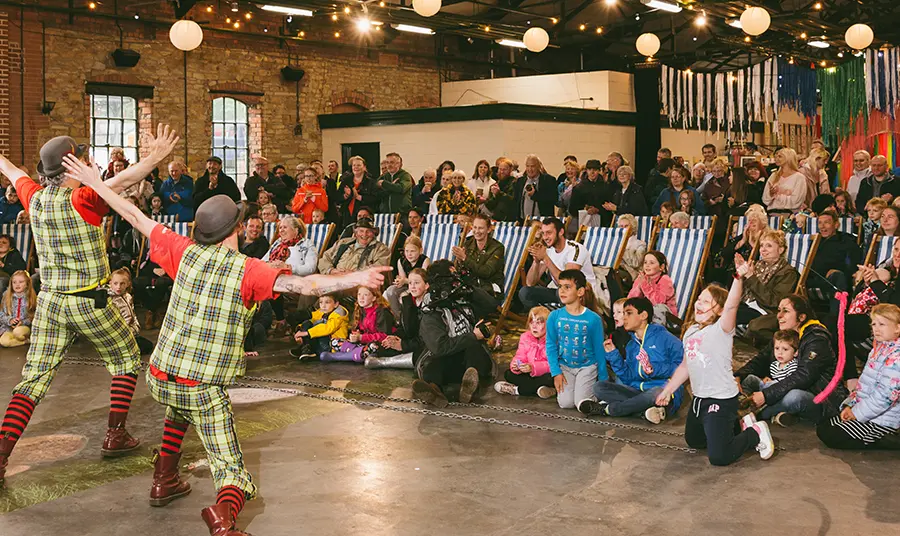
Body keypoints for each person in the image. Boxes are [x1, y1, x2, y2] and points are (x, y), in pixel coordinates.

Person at [63, 156, 390, 536]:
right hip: (202, 386)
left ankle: (164, 479)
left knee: (178, 407)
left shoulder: (182, 249)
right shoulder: (248, 269)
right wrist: (358, 276)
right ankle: (224, 522)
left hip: (158, 375)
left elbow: (133, 214)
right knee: (230, 467)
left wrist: (96, 182)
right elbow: (306, 286)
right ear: (235, 228)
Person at [0, 125, 180, 489]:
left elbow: (14, 172)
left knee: (32, 381)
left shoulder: (34, 197)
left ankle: (1, 455)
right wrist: (156, 156)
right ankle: (115, 435)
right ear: (71, 166)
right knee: (127, 358)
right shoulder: (84, 198)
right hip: (90, 301)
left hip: (50, 302)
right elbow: (124, 180)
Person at [655, 275, 776, 465]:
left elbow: (732, 305)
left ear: (719, 310)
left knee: (719, 456)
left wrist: (738, 278)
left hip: (720, 399)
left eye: (706, 302)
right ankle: (736, 426)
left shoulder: (722, 330)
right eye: (699, 299)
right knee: (695, 441)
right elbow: (686, 365)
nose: (699, 304)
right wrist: (668, 390)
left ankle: (754, 433)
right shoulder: (691, 331)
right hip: (699, 399)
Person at [735, 294, 848, 426]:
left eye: (786, 311)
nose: (779, 316)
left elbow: (803, 376)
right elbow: (761, 360)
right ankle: (774, 413)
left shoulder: (817, 338)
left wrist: (766, 395)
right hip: (786, 387)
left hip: (820, 400)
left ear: (801, 317)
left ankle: (753, 415)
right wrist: (738, 376)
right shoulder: (787, 334)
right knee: (748, 379)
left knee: (794, 397)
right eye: (779, 310)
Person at [579, 296, 684, 423]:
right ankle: (643, 412)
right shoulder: (631, 345)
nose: (624, 317)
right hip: (638, 392)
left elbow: (682, 366)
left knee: (655, 392)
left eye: (628, 313)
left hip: (664, 392)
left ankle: (608, 410)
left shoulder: (664, 337)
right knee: (599, 387)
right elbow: (628, 377)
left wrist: (654, 369)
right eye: (623, 314)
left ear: (643, 315)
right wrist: (613, 355)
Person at [411, 260, 495, 407]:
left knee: (474, 350)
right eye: (453, 277)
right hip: (446, 357)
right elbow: (440, 347)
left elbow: (491, 305)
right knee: (434, 364)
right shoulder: (431, 311)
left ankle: (469, 388)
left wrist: (469, 286)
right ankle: (434, 391)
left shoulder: (464, 297)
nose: (456, 281)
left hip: (469, 359)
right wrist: (473, 335)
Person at [816, 303, 900, 450]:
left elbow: (886, 396)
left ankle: (883, 439)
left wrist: (857, 413)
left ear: (897, 328)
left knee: (831, 434)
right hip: (867, 409)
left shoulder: (897, 357)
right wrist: (850, 405)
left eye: (882, 324)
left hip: (883, 419)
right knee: (824, 425)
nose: (876, 328)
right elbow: (864, 384)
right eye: (874, 324)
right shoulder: (878, 349)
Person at [546, 269, 606, 410]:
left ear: (580, 292)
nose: (562, 291)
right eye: (560, 286)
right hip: (565, 367)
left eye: (568, 287)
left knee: (581, 403)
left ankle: (595, 394)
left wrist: (603, 379)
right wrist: (556, 372)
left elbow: (599, 349)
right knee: (565, 404)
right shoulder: (554, 316)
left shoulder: (593, 319)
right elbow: (550, 345)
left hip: (587, 367)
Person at [519, 217, 595, 310]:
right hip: (560, 292)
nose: (545, 237)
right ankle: (545, 318)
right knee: (525, 292)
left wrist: (545, 258)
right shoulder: (549, 251)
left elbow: (569, 282)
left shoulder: (575, 249)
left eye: (549, 233)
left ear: (561, 232)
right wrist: (536, 261)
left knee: (565, 293)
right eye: (543, 233)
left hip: (581, 293)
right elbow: (530, 283)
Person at [733, 230, 800, 330]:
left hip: (764, 311)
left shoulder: (787, 273)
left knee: (727, 313)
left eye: (768, 246)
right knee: (719, 304)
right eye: (761, 246)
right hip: (745, 305)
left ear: (780, 250)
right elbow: (737, 290)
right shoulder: (756, 265)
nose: (763, 250)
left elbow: (774, 302)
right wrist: (739, 273)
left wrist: (751, 277)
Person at [366, 268, 428, 370]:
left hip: (422, 345)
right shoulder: (408, 300)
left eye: (416, 283)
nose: (412, 286)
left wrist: (403, 345)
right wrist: (394, 338)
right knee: (382, 348)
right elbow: (404, 328)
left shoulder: (429, 305)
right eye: (410, 283)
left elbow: (425, 339)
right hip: (411, 341)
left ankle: (385, 362)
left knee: (421, 356)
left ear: (426, 285)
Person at [493, 306, 556, 399]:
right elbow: (520, 355)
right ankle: (542, 389)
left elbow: (553, 364)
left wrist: (533, 368)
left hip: (545, 373)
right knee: (509, 374)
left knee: (551, 378)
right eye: (531, 322)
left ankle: (516, 390)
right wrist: (516, 365)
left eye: (538, 323)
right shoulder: (525, 337)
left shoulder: (553, 340)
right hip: (529, 373)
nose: (534, 326)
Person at [739, 329, 799, 425]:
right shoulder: (774, 365)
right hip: (768, 390)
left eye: (785, 349)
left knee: (773, 389)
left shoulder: (794, 366)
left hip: (778, 394)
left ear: (795, 352)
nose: (780, 353)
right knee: (750, 379)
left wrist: (772, 383)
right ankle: (743, 399)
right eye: (777, 348)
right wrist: (766, 380)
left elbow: (788, 384)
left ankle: (764, 413)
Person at [808, 210, 861, 311]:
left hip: (833, 280)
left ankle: (836, 320)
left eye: (827, 223)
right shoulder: (813, 241)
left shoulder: (846, 241)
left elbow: (854, 264)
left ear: (836, 225)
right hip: (812, 279)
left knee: (838, 277)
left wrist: (836, 270)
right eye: (820, 223)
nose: (822, 227)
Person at [452, 214, 505, 311]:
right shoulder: (468, 243)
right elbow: (462, 270)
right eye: (475, 227)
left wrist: (465, 258)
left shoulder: (497, 248)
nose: (476, 231)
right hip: (470, 287)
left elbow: (486, 272)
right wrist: (459, 262)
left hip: (490, 292)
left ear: (489, 230)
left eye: (480, 228)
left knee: (466, 294)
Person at [318, 218, 391, 279]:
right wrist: (331, 271)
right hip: (334, 278)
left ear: (374, 233)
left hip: (359, 284)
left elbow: (379, 269)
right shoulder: (343, 242)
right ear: (356, 233)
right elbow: (324, 258)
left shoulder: (381, 249)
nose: (364, 235)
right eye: (361, 231)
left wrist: (355, 274)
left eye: (368, 231)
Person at [108, 267, 154, 356]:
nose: (118, 287)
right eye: (115, 283)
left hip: (131, 333)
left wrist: (136, 328)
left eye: (122, 284)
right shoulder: (110, 300)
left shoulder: (128, 296)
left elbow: (133, 314)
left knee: (148, 346)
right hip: (119, 335)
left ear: (128, 284)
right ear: (110, 284)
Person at [290, 294, 351, 360]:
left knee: (320, 327)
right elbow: (314, 317)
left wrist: (306, 333)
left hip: (332, 345)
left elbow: (327, 329)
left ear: (336, 304)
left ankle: (313, 350)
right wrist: (299, 330)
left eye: (327, 302)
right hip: (325, 341)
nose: (323, 306)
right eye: (321, 302)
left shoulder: (338, 314)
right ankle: (305, 347)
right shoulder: (325, 310)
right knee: (307, 323)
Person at [384, 235, 430, 317]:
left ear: (420, 251)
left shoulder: (424, 260)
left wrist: (405, 281)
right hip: (407, 286)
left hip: (420, 286)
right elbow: (403, 279)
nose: (409, 254)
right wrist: (400, 281)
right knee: (390, 291)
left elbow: (423, 280)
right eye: (407, 251)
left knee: (404, 297)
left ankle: (408, 317)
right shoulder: (401, 261)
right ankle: (398, 317)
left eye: (413, 251)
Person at [627, 251, 677, 322]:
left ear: (661, 267)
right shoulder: (642, 278)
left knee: (658, 308)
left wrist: (644, 285)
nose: (647, 265)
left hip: (666, 317)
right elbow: (631, 299)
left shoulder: (665, 280)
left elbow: (658, 301)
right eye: (645, 262)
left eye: (651, 263)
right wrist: (639, 286)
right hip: (647, 314)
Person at [337, 155, 377, 229]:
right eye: (354, 165)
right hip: (347, 215)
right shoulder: (346, 181)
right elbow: (337, 197)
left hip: (363, 216)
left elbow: (375, 199)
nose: (356, 167)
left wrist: (359, 197)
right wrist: (345, 196)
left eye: (358, 165)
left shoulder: (371, 182)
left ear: (364, 167)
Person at [569, 159, 613, 228]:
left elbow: (610, 207)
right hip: (584, 223)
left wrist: (598, 210)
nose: (592, 172)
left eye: (595, 169)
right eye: (589, 169)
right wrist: (585, 209)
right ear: (586, 170)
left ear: (599, 171)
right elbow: (572, 209)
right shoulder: (579, 188)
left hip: (603, 224)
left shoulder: (606, 187)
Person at [762, 148, 807, 214]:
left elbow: (796, 202)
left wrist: (777, 196)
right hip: (772, 214)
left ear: (788, 158)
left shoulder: (799, 178)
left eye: (780, 156)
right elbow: (765, 199)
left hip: (790, 216)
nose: (776, 158)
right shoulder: (774, 175)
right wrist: (771, 194)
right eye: (776, 156)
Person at [0, 270, 35, 348]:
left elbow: (33, 316)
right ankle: (24, 341)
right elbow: (1, 314)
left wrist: (22, 322)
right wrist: (10, 320)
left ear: (27, 284)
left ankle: (24, 337)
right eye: (14, 282)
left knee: (17, 332)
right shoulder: (6, 296)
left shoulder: (30, 297)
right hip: (9, 328)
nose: (17, 284)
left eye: (21, 282)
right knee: (3, 342)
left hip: (23, 327)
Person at [517, 154, 557, 219]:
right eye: (527, 166)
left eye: (532, 166)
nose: (530, 169)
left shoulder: (549, 180)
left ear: (538, 166)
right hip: (523, 221)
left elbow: (553, 199)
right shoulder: (520, 181)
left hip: (543, 221)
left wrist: (535, 195)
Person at [617, 214, 647, 284]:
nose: (623, 229)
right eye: (621, 226)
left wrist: (622, 249)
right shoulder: (615, 242)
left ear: (632, 227)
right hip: (615, 269)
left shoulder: (640, 244)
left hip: (630, 274)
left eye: (626, 226)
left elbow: (636, 263)